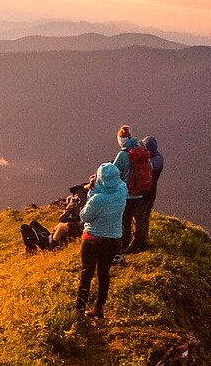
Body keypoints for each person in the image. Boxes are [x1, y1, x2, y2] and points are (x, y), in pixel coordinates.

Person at [76, 162, 127, 319]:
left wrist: (91, 190)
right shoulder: (122, 190)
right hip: (113, 240)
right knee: (103, 272)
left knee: (87, 273)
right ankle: (99, 307)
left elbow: (85, 216)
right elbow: (114, 187)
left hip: (92, 239)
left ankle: (79, 309)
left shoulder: (97, 199)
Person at [111, 127, 149, 261]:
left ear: (121, 140)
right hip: (140, 193)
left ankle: (121, 247)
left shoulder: (123, 155)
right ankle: (135, 244)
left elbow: (113, 172)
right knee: (135, 219)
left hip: (126, 193)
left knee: (124, 221)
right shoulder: (141, 151)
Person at [132, 136, 165, 251]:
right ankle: (143, 242)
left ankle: (136, 244)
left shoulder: (149, 163)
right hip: (153, 190)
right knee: (146, 216)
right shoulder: (159, 158)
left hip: (145, 191)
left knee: (138, 216)